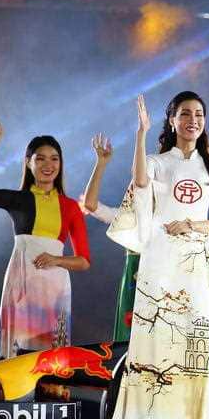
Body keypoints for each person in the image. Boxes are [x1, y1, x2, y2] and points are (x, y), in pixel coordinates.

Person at [106, 93, 209, 419]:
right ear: (172, 120)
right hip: (159, 264)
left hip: (194, 268)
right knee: (152, 346)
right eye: (185, 114)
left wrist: (192, 226)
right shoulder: (155, 161)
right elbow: (140, 185)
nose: (192, 119)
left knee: (193, 349)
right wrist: (140, 134)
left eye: (198, 114)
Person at [0, 116, 90, 363]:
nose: (48, 164)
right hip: (21, 283)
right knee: (15, 353)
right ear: (28, 163)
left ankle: (50, 400)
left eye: (54, 158)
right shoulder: (20, 200)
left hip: (54, 289)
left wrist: (56, 259)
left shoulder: (70, 207)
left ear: (60, 164)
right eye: (40, 158)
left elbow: (83, 261)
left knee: (51, 358)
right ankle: (11, 399)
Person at [82, 133, 138, 342]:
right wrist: (101, 164)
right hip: (134, 280)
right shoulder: (129, 219)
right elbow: (91, 204)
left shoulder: (170, 219)